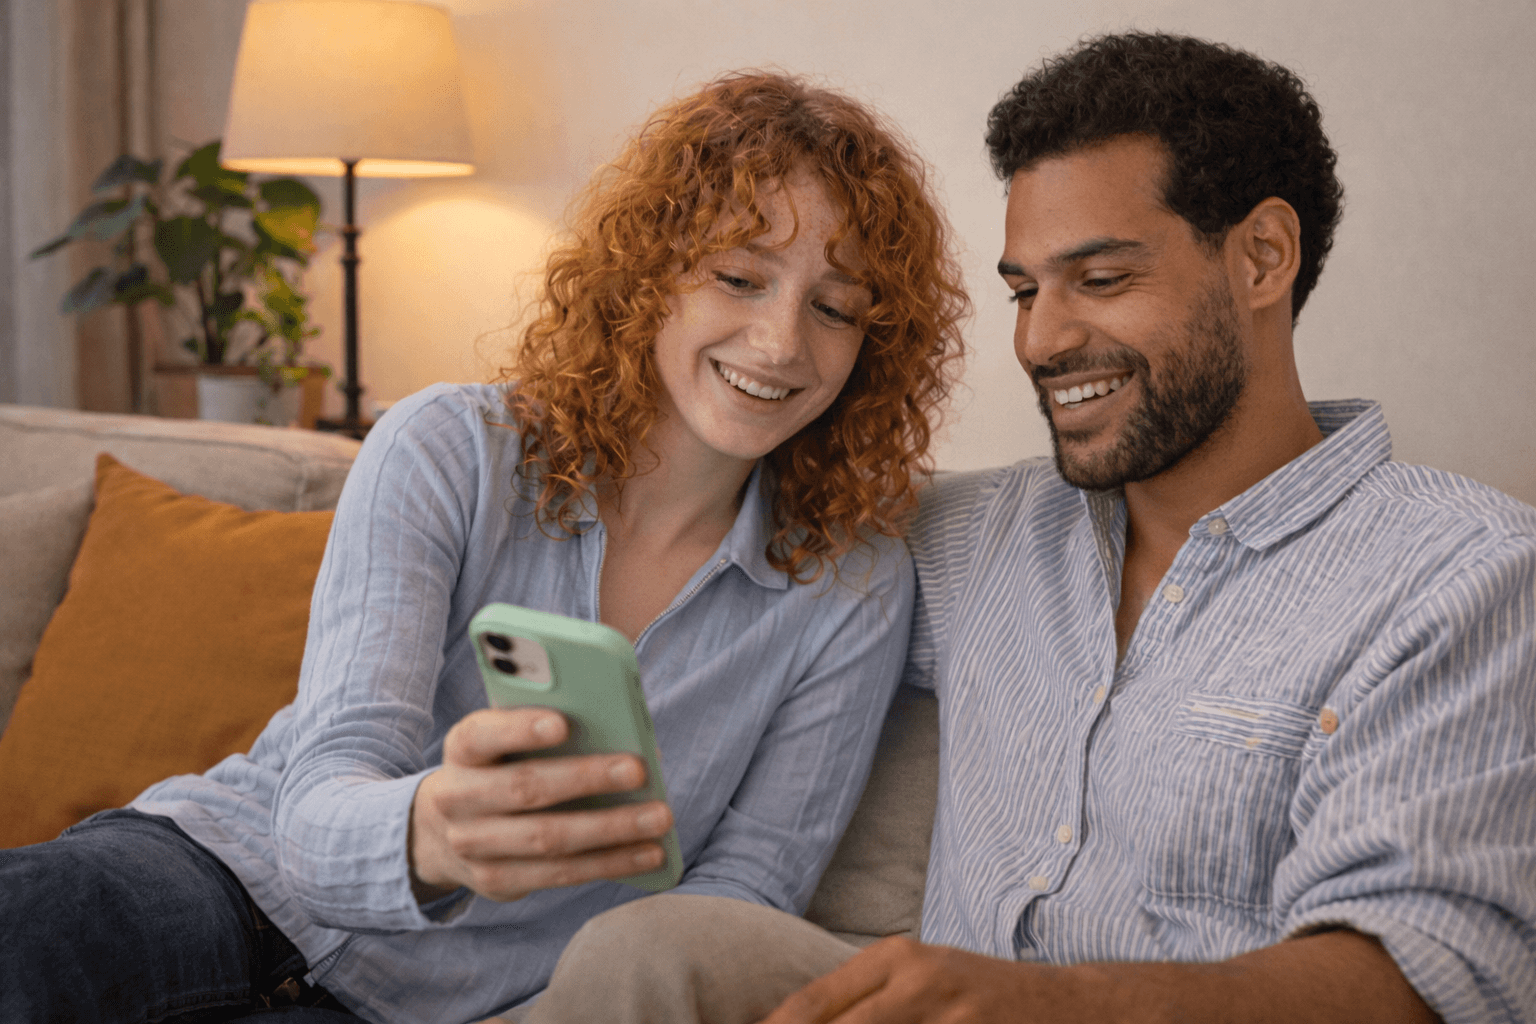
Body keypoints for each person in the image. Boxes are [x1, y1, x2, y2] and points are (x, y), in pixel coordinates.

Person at [522, 32, 1536, 1024]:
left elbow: (1423, 977)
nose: (1043, 339)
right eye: (1024, 290)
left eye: (1100, 280)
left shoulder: (1460, 576)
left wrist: (1045, 1004)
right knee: (650, 949)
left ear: (1262, 257)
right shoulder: (969, 536)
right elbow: (710, 519)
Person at [0, 72, 968, 1024]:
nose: (781, 341)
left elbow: (742, 899)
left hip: (439, 1004)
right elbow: (323, 786)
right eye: (739, 277)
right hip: (215, 868)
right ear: (650, 274)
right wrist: (430, 834)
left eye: (836, 308)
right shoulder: (451, 447)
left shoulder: (851, 580)